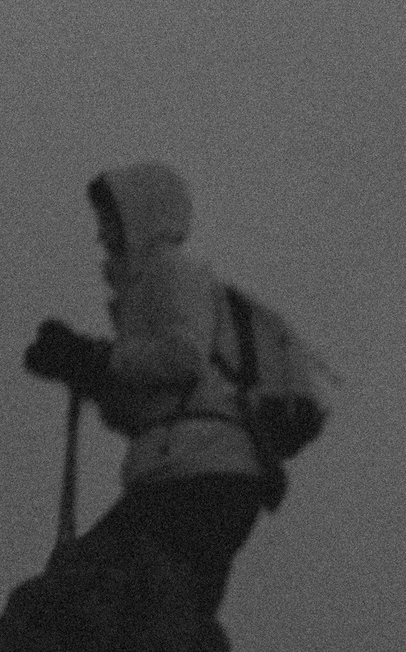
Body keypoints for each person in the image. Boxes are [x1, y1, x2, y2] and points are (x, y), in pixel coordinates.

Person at [21, 163, 276, 615]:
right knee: (166, 618)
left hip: (196, 471)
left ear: (141, 217)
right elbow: (149, 406)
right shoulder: (145, 288)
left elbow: (184, 358)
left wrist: (97, 359)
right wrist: (90, 374)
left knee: (82, 598)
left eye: (109, 221)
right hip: (202, 470)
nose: (101, 235)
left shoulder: (171, 272)